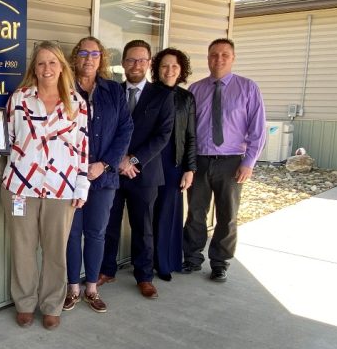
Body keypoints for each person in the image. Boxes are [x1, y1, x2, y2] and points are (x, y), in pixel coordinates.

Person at [3, 41, 89, 330]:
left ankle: (52, 304)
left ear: (62, 67)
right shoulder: (19, 99)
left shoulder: (77, 103)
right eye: (41, 63)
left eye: (53, 62)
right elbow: (5, 138)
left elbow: (83, 148)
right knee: (23, 248)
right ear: (34, 68)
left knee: (56, 249)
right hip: (20, 185)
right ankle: (25, 303)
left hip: (61, 188)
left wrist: (81, 186)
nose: (47, 68)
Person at [182, 38, 265, 282]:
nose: (219, 59)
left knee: (227, 214)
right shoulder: (196, 90)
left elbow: (257, 130)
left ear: (233, 58)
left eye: (224, 55)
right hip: (200, 159)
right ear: (208, 58)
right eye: (214, 55)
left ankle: (220, 262)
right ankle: (192, 257)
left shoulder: (248, 88)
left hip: (231, 162)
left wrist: (248, 162)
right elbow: (188, 130)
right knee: (196, 211)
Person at [99, 39, 174, 299]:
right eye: (131, 59)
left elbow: (162, 136)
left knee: (143, 227)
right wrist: (117, 160)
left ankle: (144, 276)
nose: (136, 65)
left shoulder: (163, 95)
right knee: (109, 223)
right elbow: (107, 131)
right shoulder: (112, 92)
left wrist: (131, 161)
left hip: (145, 173)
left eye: (142, 60)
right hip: (112, 172)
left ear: (149, 63)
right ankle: (106, 269)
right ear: (123, 63)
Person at [64, 37, 132, 313]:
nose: (89, 58)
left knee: (96, 233)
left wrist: (104, 164)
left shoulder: (114, 91)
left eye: (95, 53)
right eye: (83, 53)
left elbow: (125, 129)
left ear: (101, 59)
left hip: (103, 178)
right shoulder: (63, 89)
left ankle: (91, 287)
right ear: (75, 57)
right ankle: (72, 289)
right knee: (71, 233)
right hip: (69, 178)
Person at [150, 47, 197, 281]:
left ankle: (165, 262)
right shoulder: (148, 93)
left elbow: (191, 135)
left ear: (181, 70)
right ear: (157, 69)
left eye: (174, 66)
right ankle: (145, 263)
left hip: (173, 161)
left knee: (168, 213)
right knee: (147, 214)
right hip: (150, 159)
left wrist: (190, 168)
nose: (169, 70)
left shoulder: (186, 98)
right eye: (164, 66)